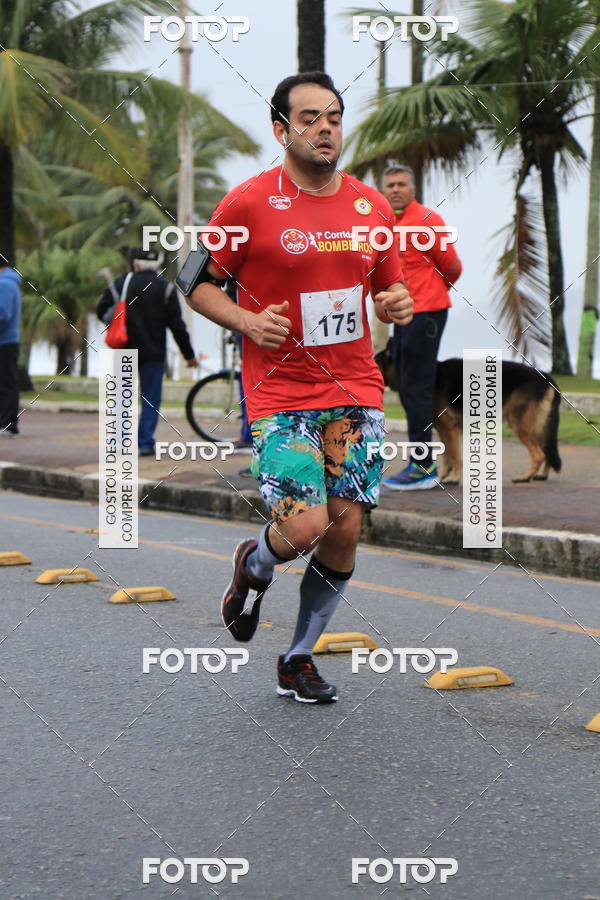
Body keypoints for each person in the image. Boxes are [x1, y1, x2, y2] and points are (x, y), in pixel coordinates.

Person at [185, 72, 413, 703]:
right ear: (281, 129)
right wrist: (247, 320)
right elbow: (194, 281)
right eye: (309, 118)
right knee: (307, 524)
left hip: (357, 390)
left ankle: (297, 657)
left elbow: (390, 289)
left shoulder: (370, 208)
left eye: (334, 117)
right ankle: (253, 565)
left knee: (343, 531)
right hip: (282, 392)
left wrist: (396, 303)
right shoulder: (248, 203)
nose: (325, 128)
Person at [380, 165, 462, 491]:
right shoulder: (385, 225)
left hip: (426, 314)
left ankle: (423, 466)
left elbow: (452, 266)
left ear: (412, 188)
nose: (396, 189)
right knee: (406, 385)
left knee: (416, 388)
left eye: (401, 183)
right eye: (390, 185)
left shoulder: (427, 220)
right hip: (402, 317)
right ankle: (421, 462)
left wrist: (433, 294)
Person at [97, 248, 197, 456]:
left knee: (121, 397)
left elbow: (101, 309)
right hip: (154, 352)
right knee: (150, 398)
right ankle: (144, 443)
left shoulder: (120, 283)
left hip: (123, 349)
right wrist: (188, 355)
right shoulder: (165, 288)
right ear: (157, 265)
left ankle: (118, 443)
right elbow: (177, 326)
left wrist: (115, 321)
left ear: (135, 264)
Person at [0, 263, 22, 437]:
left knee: (6, 384)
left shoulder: (4, 284)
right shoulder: (8, 282)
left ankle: (8, 425)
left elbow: (2, 315)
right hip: (7, 341)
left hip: (4, 342)